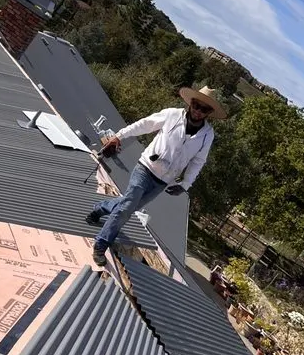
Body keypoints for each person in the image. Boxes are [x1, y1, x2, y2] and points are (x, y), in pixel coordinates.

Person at [87, 86, 227, 266]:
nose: (198, 111)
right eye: (196, 105)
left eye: (204, 109)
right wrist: (119, 136)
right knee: (127, 208)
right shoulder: (172, 115)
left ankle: (101, 207)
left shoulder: (207, 135)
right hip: (145, 168)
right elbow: (145, 124)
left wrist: (185, 184)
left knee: (130, 206)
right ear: (191, 103)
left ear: (209, 113)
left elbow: (198, 161)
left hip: (163, 181)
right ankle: (101, 244)